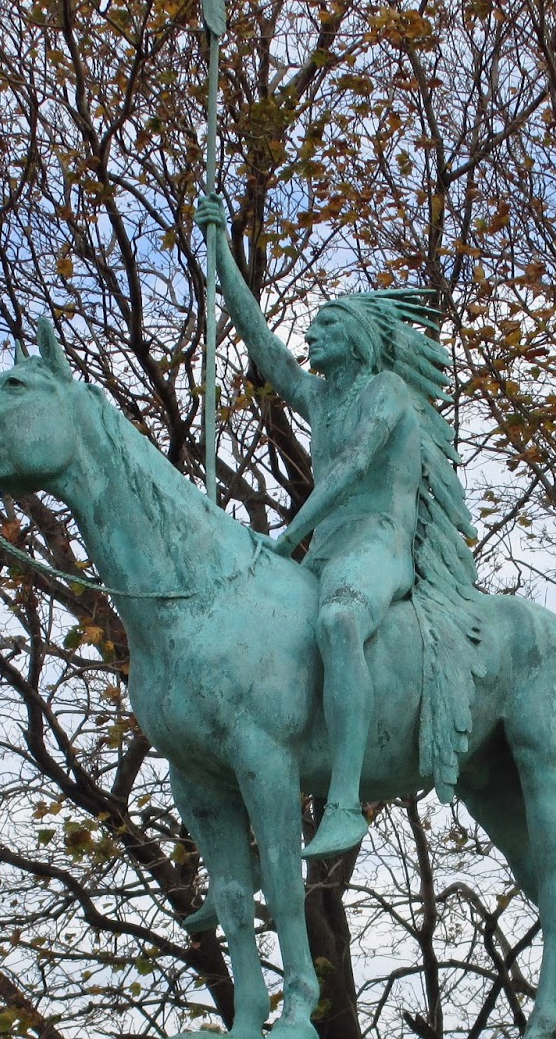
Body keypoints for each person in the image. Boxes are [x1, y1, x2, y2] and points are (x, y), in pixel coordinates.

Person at [195, 192, 477, 858]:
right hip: (326, 549)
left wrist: (289, 537)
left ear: (355, 337)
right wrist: (220, 251)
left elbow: (351, 467)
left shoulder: (386, 392)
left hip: (376, 543)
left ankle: (346, 800)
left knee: (339, 621)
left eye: (324, 326)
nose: (310, 337)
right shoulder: (320, 396)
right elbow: (260, 342)